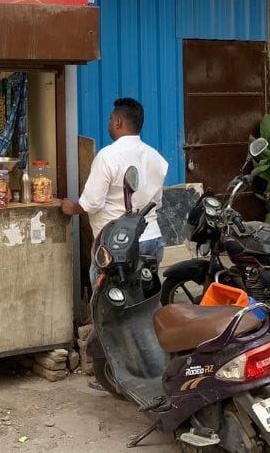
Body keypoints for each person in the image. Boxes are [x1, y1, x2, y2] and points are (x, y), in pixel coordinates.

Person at [61, 98, 168, 389]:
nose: (109, 124)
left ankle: (116, 376)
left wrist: (70, 207)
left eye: (110, 119)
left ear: (118, 122)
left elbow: (91, 202)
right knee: (144, 309)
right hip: (152, 240)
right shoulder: (157, 158)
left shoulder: (108, 156)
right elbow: (156, 201)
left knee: (110, 312)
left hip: (117, 250)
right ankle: (153, 370)